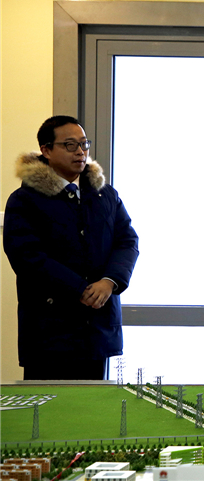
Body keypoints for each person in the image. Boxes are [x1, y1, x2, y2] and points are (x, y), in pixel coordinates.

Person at [3, 115, 139, 380]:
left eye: (84, 144)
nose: (80, 151)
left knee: (93, 404)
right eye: (69, 145)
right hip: (49, 331)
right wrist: (80, 288)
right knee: (47, 405)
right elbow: (27, 256)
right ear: (46, 150)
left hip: (97, 328)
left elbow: (127, 241)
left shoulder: (105, 195)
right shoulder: (25, 200)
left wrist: (109, 282)